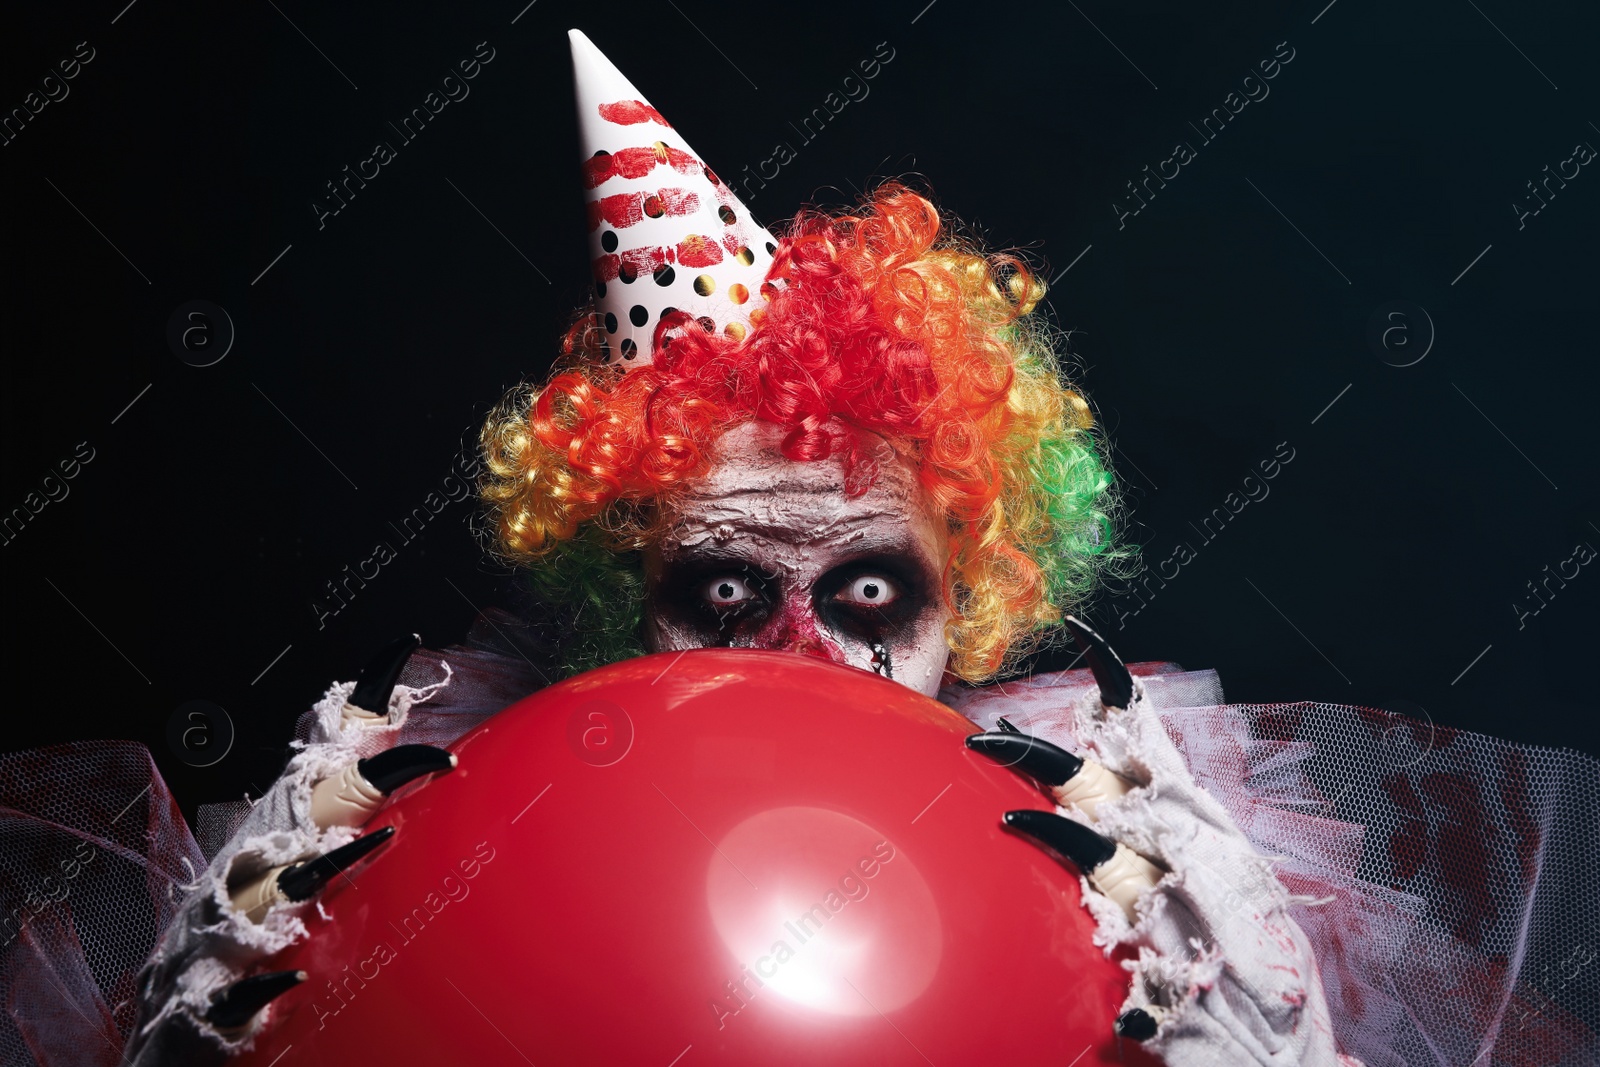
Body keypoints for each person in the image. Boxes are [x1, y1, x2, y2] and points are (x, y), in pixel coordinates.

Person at [2, 29, 1594, 1067]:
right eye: (720, 592)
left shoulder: (1154, 859)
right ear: (611, 590)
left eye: (874, 593)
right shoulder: (396, 824)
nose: (803, 660)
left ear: (973, 596)